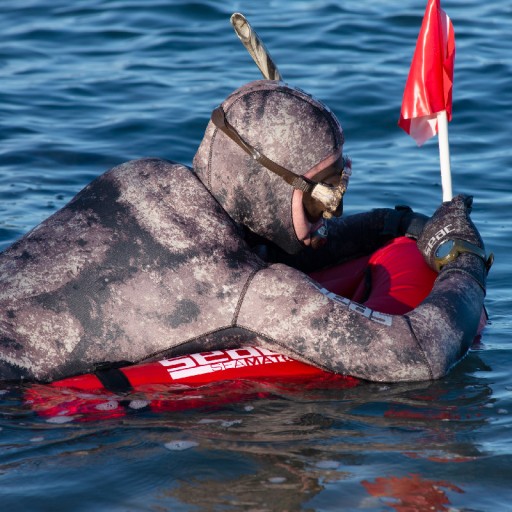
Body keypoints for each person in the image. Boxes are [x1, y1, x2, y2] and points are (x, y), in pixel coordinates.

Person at [0, 80, 491, 383]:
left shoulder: (139, 179)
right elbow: (419, 354)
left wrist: (391, 224)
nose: (335, 207)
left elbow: (265, 240)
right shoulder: (246, 290)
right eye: (322, 192)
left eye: (342, 181)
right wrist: (463, 261)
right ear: (267, 187)